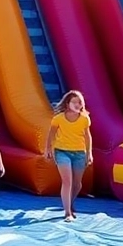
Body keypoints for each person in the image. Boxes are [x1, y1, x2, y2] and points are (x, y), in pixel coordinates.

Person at [44, 90, 94, 222]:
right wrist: (48, 149)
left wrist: (89, 153)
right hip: (62, 151)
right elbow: (51, 134)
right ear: (67, 103)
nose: (78, 105)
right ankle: (67, 212)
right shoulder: (59, 118)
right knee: (67, 181)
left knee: (77, 184)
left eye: (80, 102)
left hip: (79, 153)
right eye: (75, 102)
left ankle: (70, 203)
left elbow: (87, 137)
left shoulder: (84, 119)